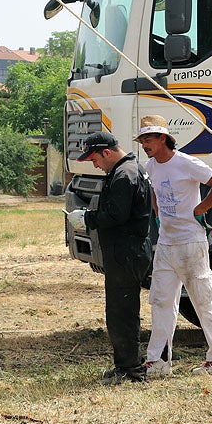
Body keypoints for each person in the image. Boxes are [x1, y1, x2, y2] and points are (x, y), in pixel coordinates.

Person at [134, 115, 212, 377]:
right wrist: (158, 214)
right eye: (142, 139)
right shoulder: (151, 166)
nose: (145, 144)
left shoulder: (186, 163)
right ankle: (158, 361)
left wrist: (200, 209)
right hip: (166, 244)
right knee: (161, 300)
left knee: (202, 300)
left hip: (191, 242)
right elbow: (155, 191)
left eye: (149, 138)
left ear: (163, 139)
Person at [67, 131, 153, 385]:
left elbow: (116, 215)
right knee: (121, 310)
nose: (94, 164)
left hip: (126, 251)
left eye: (95, 159)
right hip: (127, 250)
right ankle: (126, 365)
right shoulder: (127, 169)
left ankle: (131, 369)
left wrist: (87, 218)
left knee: (122, 312)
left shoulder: (124, 175)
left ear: (107, 152)